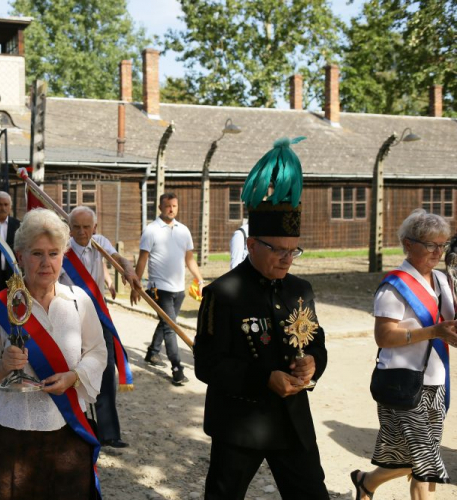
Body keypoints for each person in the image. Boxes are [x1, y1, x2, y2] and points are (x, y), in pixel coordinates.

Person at [194, 137, 329, 499]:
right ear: (252, 245)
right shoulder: (222, 293)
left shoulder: (300, 289)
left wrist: (314, 362)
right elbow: (207, 364)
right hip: (241, 423)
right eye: (278, 251)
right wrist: (264, 378)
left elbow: (316, 340)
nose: (287, 260)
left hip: (292, 420)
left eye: (293, 251)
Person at [0, 208, 107, 499]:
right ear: (20, 256)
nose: (46, 263)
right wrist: (3, 365)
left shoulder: (79, 301)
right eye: (36, 254)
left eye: (54, 253)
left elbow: (97, 352)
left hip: (68, 433)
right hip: (13, 435)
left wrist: (75, 377)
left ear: (63, 256)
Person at [351, 209, 457, 500]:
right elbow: (383, 336)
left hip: (437, 381)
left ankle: (366, 483)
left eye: (442, 245)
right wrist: (434, 332)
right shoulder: (394, 285)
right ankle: (367, 483)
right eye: (431, 245)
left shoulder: (444, 281)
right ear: (408, 244)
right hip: (402, 382)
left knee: (413, 458)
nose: (438, 252)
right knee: (425, 462)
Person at [58, 206, 139, 449]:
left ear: (95, 228)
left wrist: (128, 268)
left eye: (86, 227)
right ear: (69, 228)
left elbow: (118, 258)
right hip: (68, 318)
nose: (82, 232)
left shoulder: (100, 242)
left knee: (105, 369)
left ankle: (109, 433)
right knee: (72, 372)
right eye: (77, 227)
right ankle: (74, 428)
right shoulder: (62, 249)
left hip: (97, 316)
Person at [131, 193, 204, 385]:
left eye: (174, 206)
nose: (171, 209)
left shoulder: (184, 231)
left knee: (167, 323)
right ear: (160, 208)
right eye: (168, 206)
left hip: (178, 288)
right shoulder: (151, 230)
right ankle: (177, 368)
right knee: (172, 327)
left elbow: (189, 259)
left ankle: (152, 352)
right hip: (158, 288)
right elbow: (142, 260)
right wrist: (135, 286)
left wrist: (200, 279)